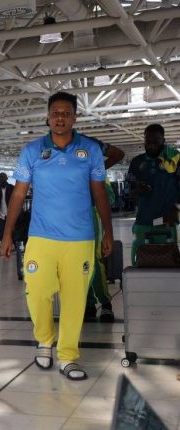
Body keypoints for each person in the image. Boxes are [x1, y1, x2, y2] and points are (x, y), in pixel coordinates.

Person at [0, 92, 113, 381]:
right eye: (55, 113)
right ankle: (44, 340)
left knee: (75, 299)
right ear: (48, 117)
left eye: (66, 113)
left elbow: (99, 193)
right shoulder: (32, 150)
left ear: (75, 117)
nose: (60, 117)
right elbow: (18, 194)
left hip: (80, 239)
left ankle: (68, 356)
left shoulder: (90, 150)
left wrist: (108, 231)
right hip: (41, 237)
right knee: (37, 292)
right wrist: (7, 232)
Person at [82, 136, 124, 322]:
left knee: (94, 260)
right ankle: (88, 303)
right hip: (69, 217)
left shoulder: (89, 145)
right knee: (77, 263)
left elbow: (118, 154)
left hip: (90, 213)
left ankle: (105, 303)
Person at [126, 123, 179, 263]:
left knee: (168, 262)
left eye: (156, 142)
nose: (152, 146)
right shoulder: (137, 162)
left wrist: (177, 209)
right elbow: (129, 190)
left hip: (166, 221)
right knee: (139, 262)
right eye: (148, 142)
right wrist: (137, 190)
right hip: (143, 221)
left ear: (163, 141)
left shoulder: (173, 161)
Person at [0, 172, 23, 279]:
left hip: (10, 216)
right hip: (0, 216)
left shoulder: (12, 188)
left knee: (13, 234)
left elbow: (18, 201)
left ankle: (13, 249)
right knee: (1, 234)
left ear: (6, 178)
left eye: (2, 178)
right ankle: (6, 248)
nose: (1, 179)